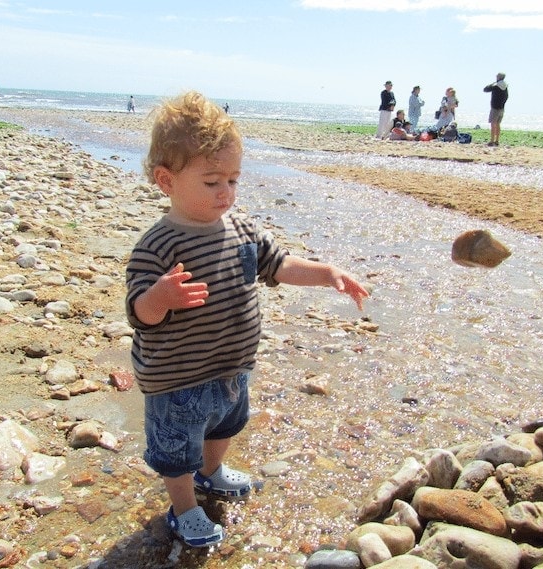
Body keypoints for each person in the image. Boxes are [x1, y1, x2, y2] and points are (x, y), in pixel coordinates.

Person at [125, 91, 369, 548]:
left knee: (225, 426)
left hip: (231, 367)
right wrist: (161, 296)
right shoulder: (157, 245)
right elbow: (139, 311)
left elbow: (280, 265)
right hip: (176, 378)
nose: (227, 192)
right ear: (166, 180)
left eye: (234, 180)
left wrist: (328, 274)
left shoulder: (243, 229)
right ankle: (183, 507)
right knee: (176, 449)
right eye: (212, 181)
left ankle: (212, 471)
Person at [483, 72, 509, 147]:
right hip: (502, 107)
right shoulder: (505, 86)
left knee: (493, 124)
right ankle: (497, 140)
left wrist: (494, 83)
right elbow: (507, 97)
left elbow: (486, 89)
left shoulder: (496, 86)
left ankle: (492, 140)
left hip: (495, 107)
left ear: (498, 77)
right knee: (498, 124)